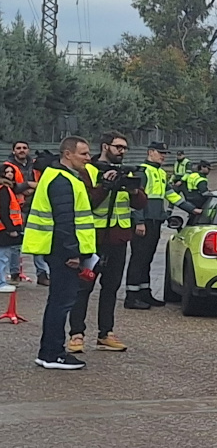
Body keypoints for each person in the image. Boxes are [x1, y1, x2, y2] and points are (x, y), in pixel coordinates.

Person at [23, 136, 99, 370]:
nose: (88, 158)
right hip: (63, 251)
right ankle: (52, 353)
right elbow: (64, 221)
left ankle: (50, 351)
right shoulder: (62, 180)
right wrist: (72, 253)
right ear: (68, 154)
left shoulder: (60, 177)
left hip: (59, 249)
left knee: (59, 301)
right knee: (61, 302)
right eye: (83, 154)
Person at [69, 132, 144, 353]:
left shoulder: (126, 171)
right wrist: (106, 186)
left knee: (111, 288)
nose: (122, 151)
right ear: (105, 147)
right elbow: (88, 203)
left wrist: (133, 190)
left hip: (118, 239)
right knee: (83, 287)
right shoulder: (88, 171)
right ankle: (76, 334)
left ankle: (106, 334)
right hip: (93, 239)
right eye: (118, 147)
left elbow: (140, 204)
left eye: (124, 148)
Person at [123, 141, 176, 309]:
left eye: (165, 153)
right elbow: (135, 198)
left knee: (147, 258)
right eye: (160, 152)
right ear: (150, 152)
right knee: (138, 258)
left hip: (155, 222)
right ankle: (131, 296)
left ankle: (145, 293)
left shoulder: (160, 173)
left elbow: (171, 195)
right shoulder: (142, 172)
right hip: (144, 223)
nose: (163, 156)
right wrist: (139, 221)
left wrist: (193, 209)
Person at [3, 141, 36, 285]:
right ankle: (14, 272)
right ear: (13, 150)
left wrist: (32, 188)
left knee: (36, 240)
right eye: (18, 148)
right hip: (16, 207)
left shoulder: (35, 165)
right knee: (14, 244)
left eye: (24, 148)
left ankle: (42, 273)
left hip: (34, 205)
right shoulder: (7, 166)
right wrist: (28, 185)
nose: (22, 150)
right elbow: (9, 185)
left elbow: (41, 183)